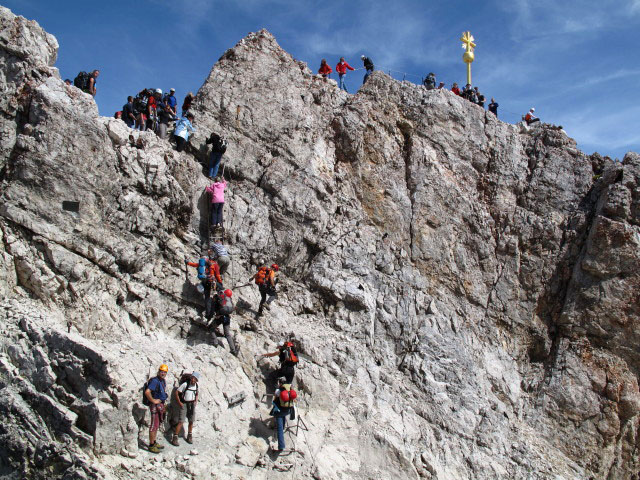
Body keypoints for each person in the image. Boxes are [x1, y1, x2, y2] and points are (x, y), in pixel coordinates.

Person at [186, 253, 223, 318]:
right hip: (212, 282)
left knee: (207, 298)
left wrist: (188, 263)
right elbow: (217, 275)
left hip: (205, 282)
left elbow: (195, 265)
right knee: (220, 293)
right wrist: (220, 282)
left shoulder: (202, 265)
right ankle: (219, 308)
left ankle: (208, 314)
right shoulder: (215, 264)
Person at [145, 364, 169, 453]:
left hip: (160, 405)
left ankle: (154, 442)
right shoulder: (155, 381)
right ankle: (151, 445)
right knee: (154, 425)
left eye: (165, 372)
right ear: (159, 371)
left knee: (157, 424)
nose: (163, 373)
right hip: (155, 406)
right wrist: (153, 401)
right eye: (162, 372)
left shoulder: (162, 381)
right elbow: (147, 392)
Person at [171, 372, 199, 446]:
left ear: (196, 380)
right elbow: (177, 392)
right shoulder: (185, 384)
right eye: (192, 378)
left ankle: (189, 436)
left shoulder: (196, 385)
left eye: (195, 379)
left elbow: (196, 394)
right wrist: (180, 403)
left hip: (192, 404)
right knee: (181, 421)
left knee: (191, 421)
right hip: (185, 404)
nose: (193, 380)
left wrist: (195, 401)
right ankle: (175, 437)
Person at [271, 377, 297, 452]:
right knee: (282, 423)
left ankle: (281, 446)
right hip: (288, 410)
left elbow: (275, 398)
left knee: (279, 428)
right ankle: (282, 429)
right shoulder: (290, 389)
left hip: (280, 411)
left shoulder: (278, 390)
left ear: (280, 383)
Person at [210, 288, 238, 355]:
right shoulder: (229, 300)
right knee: (227, 334)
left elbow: (214, 306)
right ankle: (233, 350)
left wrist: (212, 315)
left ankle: (215, 342)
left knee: (211, 328)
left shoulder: (219, 297)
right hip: (227, 318)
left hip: (220, 317)